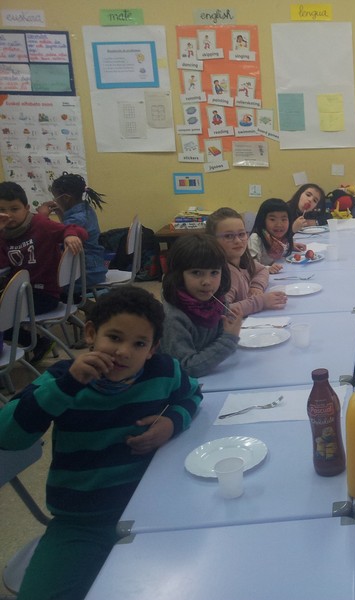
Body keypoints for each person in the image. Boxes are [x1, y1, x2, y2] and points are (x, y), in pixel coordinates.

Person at [0, 285, 203, 599]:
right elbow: (9, 436)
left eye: (139, 344)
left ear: (153, 348)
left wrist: (172, 422)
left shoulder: (163, 371)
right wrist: (67, 386)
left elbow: (193, 394)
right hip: (82, 522)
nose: (124, 352)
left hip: (155, 508)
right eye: (115, 337)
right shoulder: (62, 380)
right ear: (91, 333)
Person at [0, 181, 87, 362]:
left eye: (14, 209)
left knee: (2, 317)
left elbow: (77, 230)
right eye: (2, 210)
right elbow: (3, 266)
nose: (8, 215)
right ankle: (36, 343)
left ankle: (37, 343)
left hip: (44, 294)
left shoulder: (40, 224)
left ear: (26, 208)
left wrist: (70, 235)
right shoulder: (2, 233)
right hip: (20, 292)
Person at [160, 234, 242, 377]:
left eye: (214, 273)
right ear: (179, 275)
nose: (207, 282)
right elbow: (185, 369)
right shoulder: (173, 318)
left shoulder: (217, 301)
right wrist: (229, 339)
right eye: (196, 273)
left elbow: (220, 343)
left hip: (214, 375)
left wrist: (229, 333)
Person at [206, 207, 287, 316]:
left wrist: (256, 286)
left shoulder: (243, 260)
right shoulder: (221, 274)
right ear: (212, 240)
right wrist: (261, 301)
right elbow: (223, 311)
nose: (237, 241)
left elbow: (262, 270)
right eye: (228, 236)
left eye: (241, 234)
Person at [38, 172, 109, 288]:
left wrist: (42, 217)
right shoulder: (86, 209)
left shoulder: (77, 218)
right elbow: (67, 229)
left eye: (55, 197)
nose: (55, 200)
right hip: (95, 268)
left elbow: (51, 237)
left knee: (41, 282)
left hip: (84, 273)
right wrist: (61, 213)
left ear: (66, 198)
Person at [248, 198, 306, 274]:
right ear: (263, 220)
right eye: (272, 219)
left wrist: (291, 246)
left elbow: (281, 246)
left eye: (283, 219)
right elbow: (251, 265)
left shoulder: (281, 238)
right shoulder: (255, 239)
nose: (279, 224)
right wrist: (267, 268)